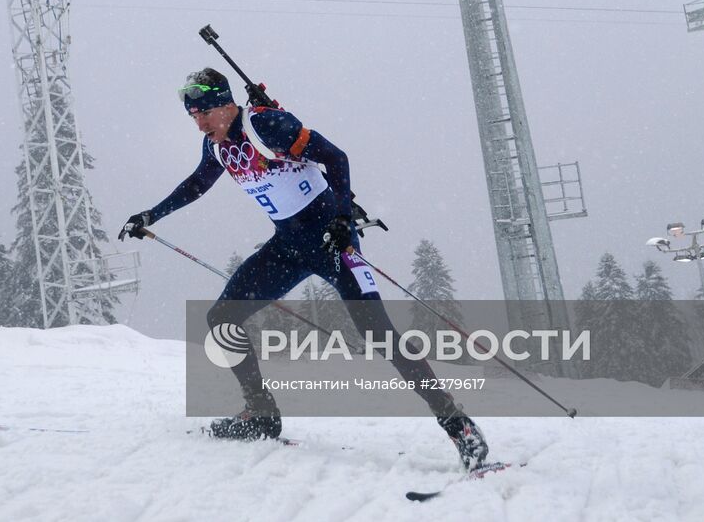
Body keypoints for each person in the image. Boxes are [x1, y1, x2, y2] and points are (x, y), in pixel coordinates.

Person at [119, 68, 491, 472]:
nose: (199, 122)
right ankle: (261, 414)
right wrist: (149, 215)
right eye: (192, 115)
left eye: (204, 112)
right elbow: (196, 185)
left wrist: (343, 221)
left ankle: (460, 428)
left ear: (226, 104)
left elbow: (336, 158)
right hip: (289, 247)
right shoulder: (217, 147)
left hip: (332, 241)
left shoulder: (264, 124)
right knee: (222, 318)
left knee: (378, 334)